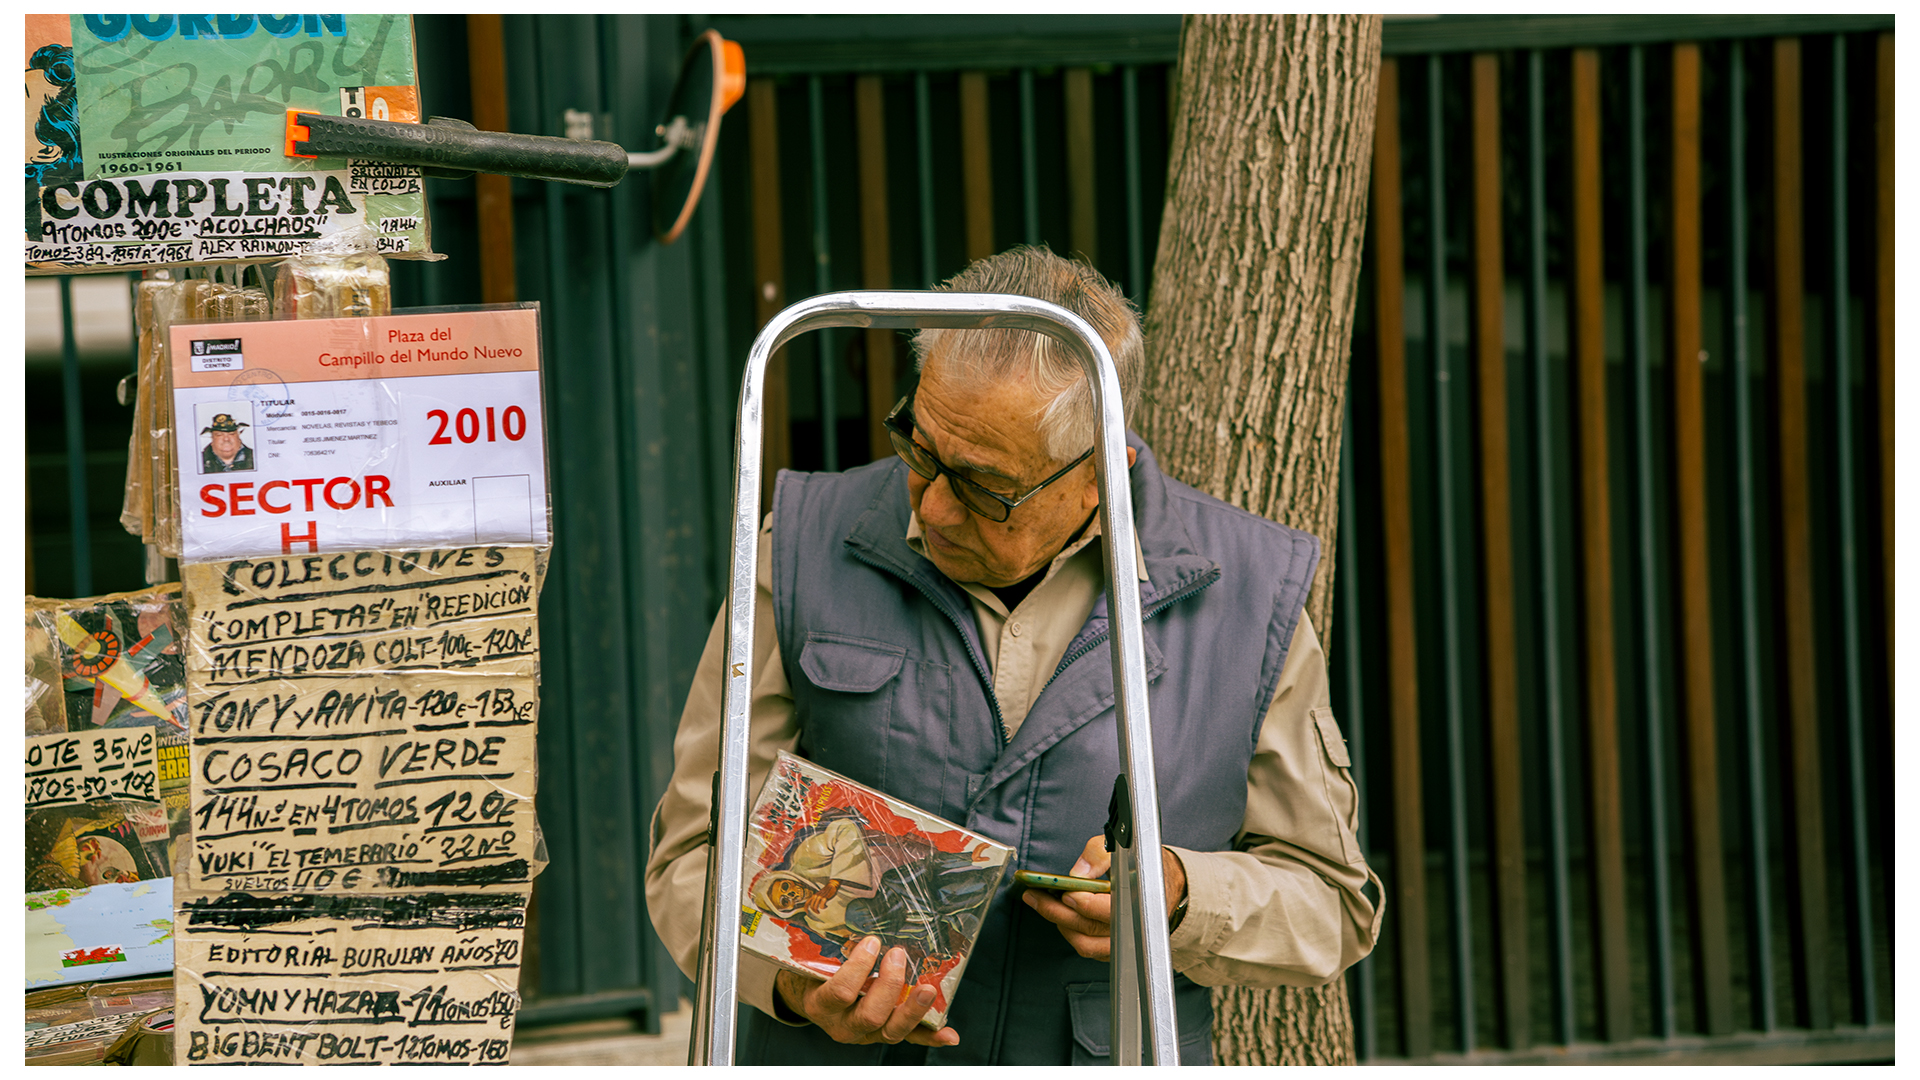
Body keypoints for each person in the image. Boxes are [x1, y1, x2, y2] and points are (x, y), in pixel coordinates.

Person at [646, 246, 1381, 1065]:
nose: (932, 507)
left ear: (1101, 472)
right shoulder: (798, 547)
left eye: (983, 485)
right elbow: (692, 855)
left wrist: (1180, 897)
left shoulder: (1247, 594)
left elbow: (1330, 903)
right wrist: (790, 983)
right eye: (919, 449)